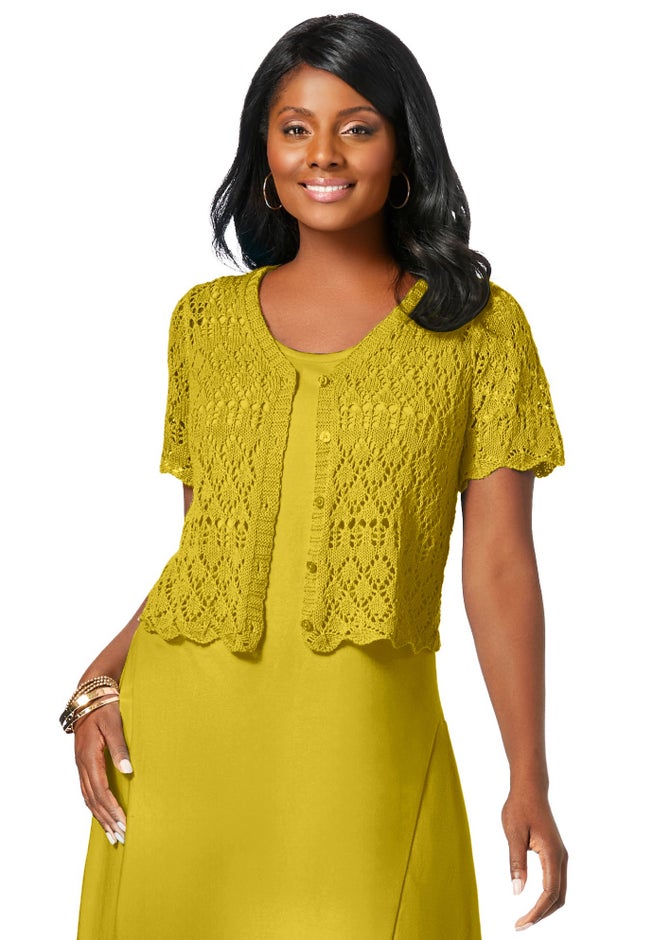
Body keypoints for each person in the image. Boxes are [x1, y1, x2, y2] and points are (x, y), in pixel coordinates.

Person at [62, 13, 568, 938]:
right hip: (181, 746)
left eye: (356, 126)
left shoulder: (479, 329)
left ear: (402, 148)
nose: (323, 154)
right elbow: (208, 548)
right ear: (264, 150)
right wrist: (100, 682)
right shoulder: (204, 324)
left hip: (361, 753)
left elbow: (498, 566)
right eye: (295, 127)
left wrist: (526, 771)